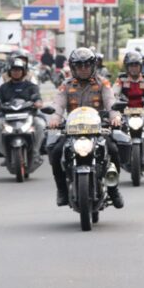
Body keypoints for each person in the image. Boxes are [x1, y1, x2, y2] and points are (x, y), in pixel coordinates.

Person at [48, 47, 124, 209]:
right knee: (55, 152)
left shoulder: (103, 83)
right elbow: (58, 104)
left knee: (114, 150)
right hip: (72, 131)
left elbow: (111, 102)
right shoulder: (66, 85)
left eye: (86, 65)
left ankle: (113, 189)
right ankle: (61, 190)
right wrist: (55, 118)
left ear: (93, 66)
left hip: (98, 130)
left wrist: (115, 117)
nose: (83, 69)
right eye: (79, 66)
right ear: (73, 67)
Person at [0, 57, 45, 165]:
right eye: (14, 70)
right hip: (7, 116)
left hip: (29, 115)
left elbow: (36, 97)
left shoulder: (31, 86)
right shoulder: (4, 87)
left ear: (23, 72)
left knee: (41, 125)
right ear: (10, 72)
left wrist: (38, 102)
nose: (16, 72)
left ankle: (35, 153)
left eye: (19, 70)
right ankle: (5, 154)